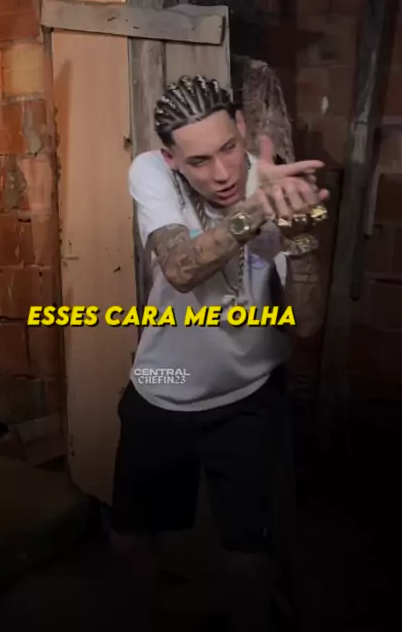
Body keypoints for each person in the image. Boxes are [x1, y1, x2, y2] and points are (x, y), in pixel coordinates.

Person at [109, 74, 329, 631]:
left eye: (229, 148)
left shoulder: (275, 182)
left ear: (242, 127)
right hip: (163, 386)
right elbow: (181, 270)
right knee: (132, 541)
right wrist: (256, 209)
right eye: (200, 161)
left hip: (248, 394)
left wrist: (302, 240)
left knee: (249, 558)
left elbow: (306, 325)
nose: (223, 173)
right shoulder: (152, 171)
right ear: (172, 159)